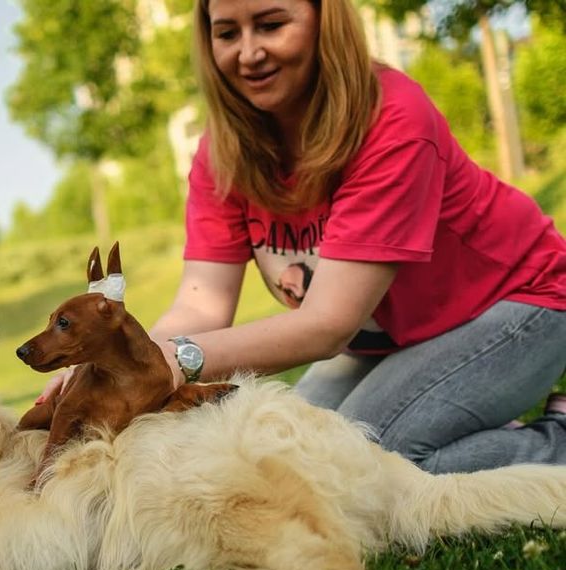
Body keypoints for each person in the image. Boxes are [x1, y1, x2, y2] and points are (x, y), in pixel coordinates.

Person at [40, 0, 566, 473]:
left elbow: (328, 324)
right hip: (392, 338)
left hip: (523, 301)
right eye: (227, 33)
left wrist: (174, 360)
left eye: (271, 24)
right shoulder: (222, 152)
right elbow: (201, 303)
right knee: (284, 449)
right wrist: (111, 356)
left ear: (323, 19)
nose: (249, 53)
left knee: (353, 457)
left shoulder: (392, 117)